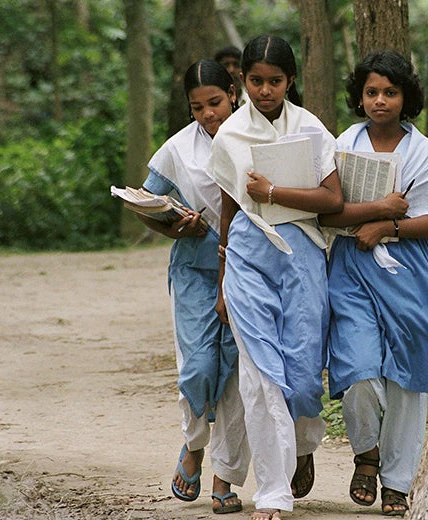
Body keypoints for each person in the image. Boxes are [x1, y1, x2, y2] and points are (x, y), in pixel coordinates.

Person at [207, 35, 344, 520]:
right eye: (256, 81)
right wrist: (223, 276)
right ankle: (272, 492)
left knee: (304, 378)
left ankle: (301, 446)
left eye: (275, 81)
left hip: (302, 251)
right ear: (242, 81)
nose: (265, 91)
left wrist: (276, 190)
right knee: (261, 374)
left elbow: (332, 201)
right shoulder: (230, 135)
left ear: (291, 82)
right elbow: (228, 205)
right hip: (247, 252)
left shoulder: (311, 129)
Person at [318, 50, 428, 518]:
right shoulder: (342, 143)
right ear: (359, 96)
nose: (380, 101)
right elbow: (326, 209)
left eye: (390, 92)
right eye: (372, 92)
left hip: (407, 272)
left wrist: (391, 229)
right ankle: (367, 454)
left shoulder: (421, 150)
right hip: (352, 267)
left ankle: (398, 480)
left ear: (405, 97)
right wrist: (377, 213)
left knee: (407, 380)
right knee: (357, 370)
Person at [136, 59, 249, 515]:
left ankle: (224, 478)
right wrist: (173, 226)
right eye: (197, 107)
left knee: (237, 377)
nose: (208, 114)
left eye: (215, 102)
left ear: (233, 93)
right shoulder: (177, 150)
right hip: (194, 271)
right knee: (199, 368)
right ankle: (193, 444)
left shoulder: (254, 136)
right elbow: (146, 202)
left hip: (248, 269)